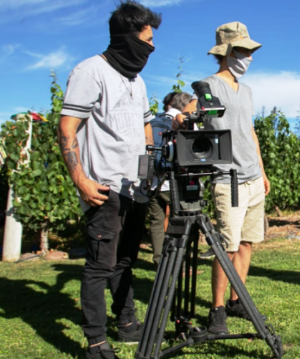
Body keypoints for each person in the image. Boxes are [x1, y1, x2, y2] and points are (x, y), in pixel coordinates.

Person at [57, 2, 161, 358]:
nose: (152, 48)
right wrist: (82, 182)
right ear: (129, 38)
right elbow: (67, 128)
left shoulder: (137, 80)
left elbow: (146, 123)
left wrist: (148, 163)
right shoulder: (90, 72)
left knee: (125, 261)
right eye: (148, 41)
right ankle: (96, 342)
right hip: (104, 187)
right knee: (100, 266)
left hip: (135, 186)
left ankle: (127, 323)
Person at [178, 21, 270, 335]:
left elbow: (250, 132)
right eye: (244, 50)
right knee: (226, 248)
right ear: (228, 51)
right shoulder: (208, 85)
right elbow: (187, 113)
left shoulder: (246, 91)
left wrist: (263, 171)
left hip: (253, 178)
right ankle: (217, 310)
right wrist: (184, 119)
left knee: (246, 244)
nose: (250, 58)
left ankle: (236, 300)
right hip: (227, 179)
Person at [147, 91, 192, 266]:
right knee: (180, 224)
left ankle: (160, 262)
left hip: (152, 182)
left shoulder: (151, 123)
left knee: (156, 223)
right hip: (174, 182)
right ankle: (178, 264)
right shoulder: (182, 124)